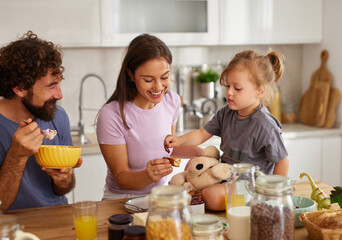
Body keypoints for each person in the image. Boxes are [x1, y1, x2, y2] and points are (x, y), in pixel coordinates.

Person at [164, 49, 290, 210]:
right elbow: (201, 134)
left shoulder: (265, 124)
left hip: (252, 185)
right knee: (189, 171)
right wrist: (179, 140)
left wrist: (272, 195)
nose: (229, 92)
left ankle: (249, 204)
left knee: (210, 196)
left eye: (237, 88)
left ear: (260, 90)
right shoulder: (226, 113)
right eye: (228, 86)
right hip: (225, 174)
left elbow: (282, 161)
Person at [96, 34, 202, 200]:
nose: (158, 87)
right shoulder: (112, 114)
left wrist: (196, 152)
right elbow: (121, 177)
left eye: (165, 77)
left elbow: (168, 148)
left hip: (160, 196)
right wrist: (148, 176)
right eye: (148, 80)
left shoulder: (171, 101)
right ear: (130, 75)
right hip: (121, 199)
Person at [0, 31, 82, 212]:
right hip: (12, 226)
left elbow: (64, 189)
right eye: (51, 85)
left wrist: (64, 179)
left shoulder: (57, 116)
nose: (59, 95)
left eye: (59, 83)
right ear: (19, 88)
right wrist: (16, 156)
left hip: (56, 218)